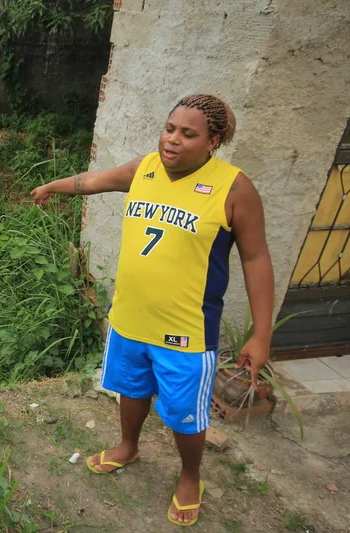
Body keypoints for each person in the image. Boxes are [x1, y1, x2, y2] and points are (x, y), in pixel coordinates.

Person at [30, 94, 274, 527]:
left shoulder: (234, 188)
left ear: (213, 140)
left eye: (188, 134)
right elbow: (94, 180)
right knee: (131, 389)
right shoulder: (144, 168)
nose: (173, 141)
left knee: (184, 413)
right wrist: (53, 186)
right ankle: (128, 446)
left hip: (186, 332)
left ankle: (190, 475)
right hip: (130, 319)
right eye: (169, 128)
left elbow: (256, 260)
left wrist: (261, 334)